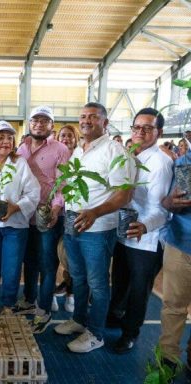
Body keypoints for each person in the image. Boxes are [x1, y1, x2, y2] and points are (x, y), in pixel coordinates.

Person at [54, 102, 135, 353]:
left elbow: (125, 194)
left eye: (93, 117)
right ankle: (79, 320)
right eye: (83, 117)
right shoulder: (80, 150)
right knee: (77, 277)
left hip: (98, 228)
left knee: (97, 283)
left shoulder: (115, 152)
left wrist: (95, 212)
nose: (86, 121)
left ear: (105, 123)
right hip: (73, 224)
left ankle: (96, 333)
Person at [107, 108, 173, 353]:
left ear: (159, 132)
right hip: (124, 230)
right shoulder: (129, 155)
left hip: (147, 238)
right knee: (120, 280)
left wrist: (144, 225)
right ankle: (114, 317)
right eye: (136, 127)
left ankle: (130, 333)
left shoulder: (161, 162)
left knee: (139, 288)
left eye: (147, 128)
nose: (140, 132)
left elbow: (161, 209)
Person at [14, 106, 71, 334]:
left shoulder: (61, 149)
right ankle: (29, 300)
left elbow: (63, 184)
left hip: (48, 215)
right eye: (35, 120)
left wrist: (56, 209)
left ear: (51, 126)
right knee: (29, 261)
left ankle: (44, 310)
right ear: (29, 123)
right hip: (25, 214)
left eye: (44, 120)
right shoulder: (21, 148)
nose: (39, 124)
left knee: (48, 265)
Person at [0, 121, 40, 315]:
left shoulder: (20, 163)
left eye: (10, 138)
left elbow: (33, 192)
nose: (6, 142)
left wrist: (16, 208)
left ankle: (8, 305)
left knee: (11, 270)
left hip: (16, 226)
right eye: (1, 138)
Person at [159, 144, 191, 371]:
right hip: (181, 243)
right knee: (173, 306)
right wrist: (170, 203)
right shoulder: (184, 163)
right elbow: (170, 203)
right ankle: (167, 361)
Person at [54, 124, 80, 312]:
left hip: (74, 216)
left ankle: (70, 294)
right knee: (50, 258)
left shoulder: (81, 158)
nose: (66, 138)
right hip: (55, 214)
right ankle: (51, 293)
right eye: (62, 135)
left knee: (71, 258)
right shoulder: (55, 157)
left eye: (70, 135)